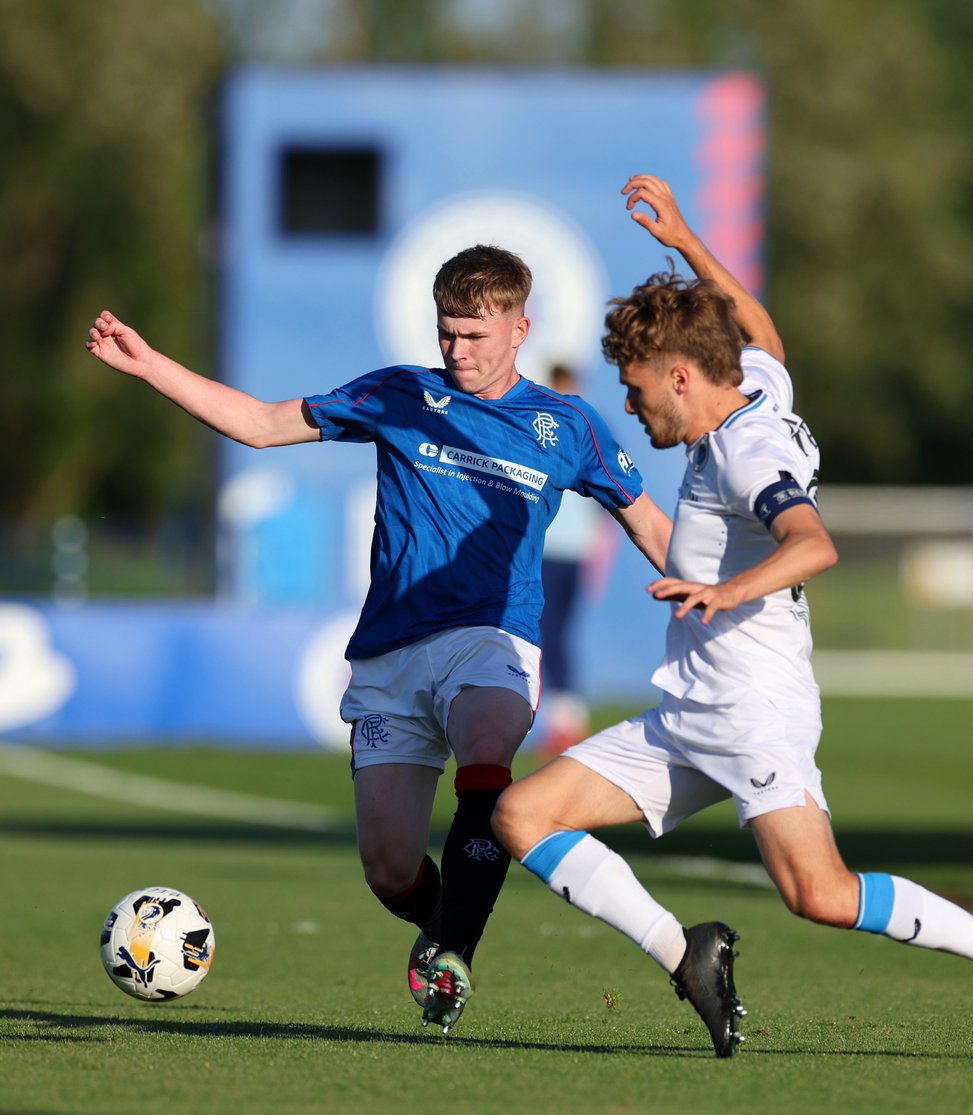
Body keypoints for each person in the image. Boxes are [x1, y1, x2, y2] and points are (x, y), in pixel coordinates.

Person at [493, 174, 973, 1057]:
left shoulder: (747, 449)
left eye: (635, 390)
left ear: (679, 375)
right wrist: (688, 239)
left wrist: (725, 591)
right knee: (521, 816)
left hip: (753, 713)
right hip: (686, 711)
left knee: (819, 894)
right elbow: (762, 331)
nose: (629, 406)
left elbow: (813, 541)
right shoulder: (753, 386)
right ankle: (687, 954)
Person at [85, 244, 673, 1033]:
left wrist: (737, 596)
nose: (458, 351)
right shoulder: (399, 394)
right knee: (390, 868)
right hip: (393, 653)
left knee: (490, 744)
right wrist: (152, 364)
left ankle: (457, 951)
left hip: (492, 635)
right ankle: (439, 925)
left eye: (474, 335)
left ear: (519, 327)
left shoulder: (566, 426)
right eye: (447, 334)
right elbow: (261, 425)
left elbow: (653, 528)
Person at [538, 362, 610, 756]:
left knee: (555, 633)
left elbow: (610, 506)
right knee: (554, 634)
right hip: (558, 548)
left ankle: (565, 720)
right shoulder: (583, 430)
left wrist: (599, 559)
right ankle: (565, 718)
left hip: (565, 550)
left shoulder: (574, 433)